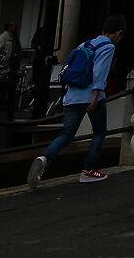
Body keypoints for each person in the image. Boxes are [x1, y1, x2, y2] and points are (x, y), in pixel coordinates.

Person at [28, 12, 125, 189]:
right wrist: (96, 96)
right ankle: (88, 171)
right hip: (91, 96)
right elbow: (100, 73)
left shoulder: (85, 44)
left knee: (66, 134)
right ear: (118, 33)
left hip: (72, 97)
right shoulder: (108, 47)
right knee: (99, 132)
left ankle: (45, 160)